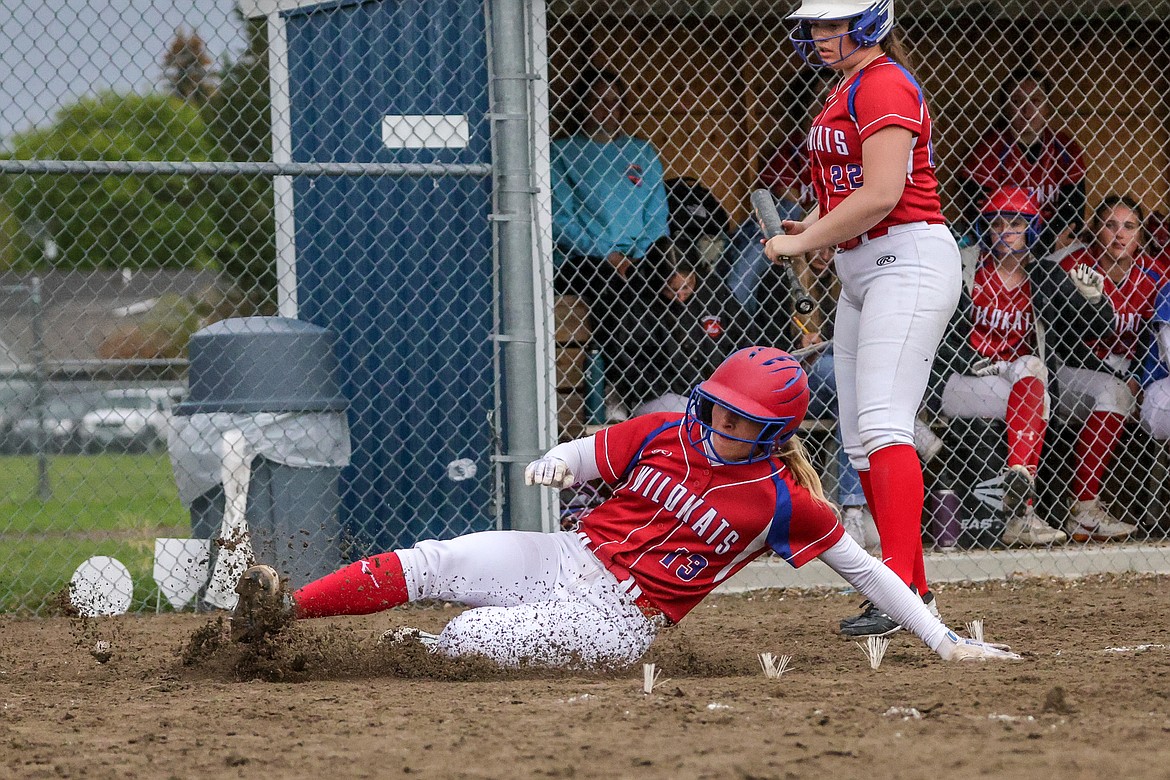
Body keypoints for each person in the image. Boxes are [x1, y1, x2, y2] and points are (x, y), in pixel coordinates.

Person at [230, 347, 1019, 669]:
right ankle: (283, 612)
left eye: (740, 418)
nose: (717, 421)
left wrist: (945, 641)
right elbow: (592, 452)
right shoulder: (671, 428)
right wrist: (555, 463)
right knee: (437, 559)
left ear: (775, 433)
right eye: (717, 406)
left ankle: (397, 653)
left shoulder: (785, 503)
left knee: (470, 636)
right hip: (571, 555)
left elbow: (870, 573)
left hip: (622, 619)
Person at [764, 1, 960, 637]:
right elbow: (855, 195)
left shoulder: (883, 80)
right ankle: (911, 591)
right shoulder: (846, 86)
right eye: (815, 24)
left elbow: (882, 194)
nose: (820, 35)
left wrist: (799, 244)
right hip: (865, 268)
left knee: (882, 425)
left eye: (833, 23)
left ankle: (899, 588)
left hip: (907, 262)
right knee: (857, 438)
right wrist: (817, 232)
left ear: (872, 20)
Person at [938, 187, 1067, 546]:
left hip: (1017, 376)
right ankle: (1022, 511)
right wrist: (968, 360)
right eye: (998, 223)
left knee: (1032, 367)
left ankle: (1017, 479)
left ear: (1031, 229)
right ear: (986, 230)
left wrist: (1097, 298)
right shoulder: (967, 268)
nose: (1007, 231)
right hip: (963, 376)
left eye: (1016, 223)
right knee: (1033, 397)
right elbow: (939, 335)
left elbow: (1093, 324)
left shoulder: (1043, 275)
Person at [1050, 196, 1159, 541]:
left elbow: (1156, 342)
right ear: (1096, 230)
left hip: (1130, 377)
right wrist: (1124, 377)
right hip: (1068, 374)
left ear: (1141, 235)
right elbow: (1065, 341)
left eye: (1129, 227)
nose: (1119, 235)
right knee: (1112, 392)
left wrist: (1141, 377)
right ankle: (1084, 510)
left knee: (1120, 392)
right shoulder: (1072, 265)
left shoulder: (1154, 274)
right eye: (1110, 225)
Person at [551, 66, 670, 311]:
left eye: (614, 101)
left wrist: (637, 257)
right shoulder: (562, 152)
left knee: (669, 279)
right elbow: (558, 219)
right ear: (582, 105)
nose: (608, 108)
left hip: (639, 255)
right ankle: (621, 351)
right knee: (613, 287)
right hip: (586, 257)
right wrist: (607, 255)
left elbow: (657, 217)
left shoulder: (641, 152)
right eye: (599, 101)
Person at [959, 66, 1087, 256]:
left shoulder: (1065, 148)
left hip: (1054, 243)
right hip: (1002, 246)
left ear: (1047, 107)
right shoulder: (989, 150)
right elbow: (979, 216)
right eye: (1017, 102)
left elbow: (1074, 214)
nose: (1026, 111)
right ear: (1005, 107)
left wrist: (1045, 243)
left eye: (1035, 101)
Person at [608, 243, 747, 417]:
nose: (680, 296)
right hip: (661, 393)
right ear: (658, 282)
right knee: (695, 419)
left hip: (717, 390)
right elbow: (629, 361)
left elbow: (742, 338)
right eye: (671, 290)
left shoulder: (713, 289)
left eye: (687, 286)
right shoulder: (638, 299)